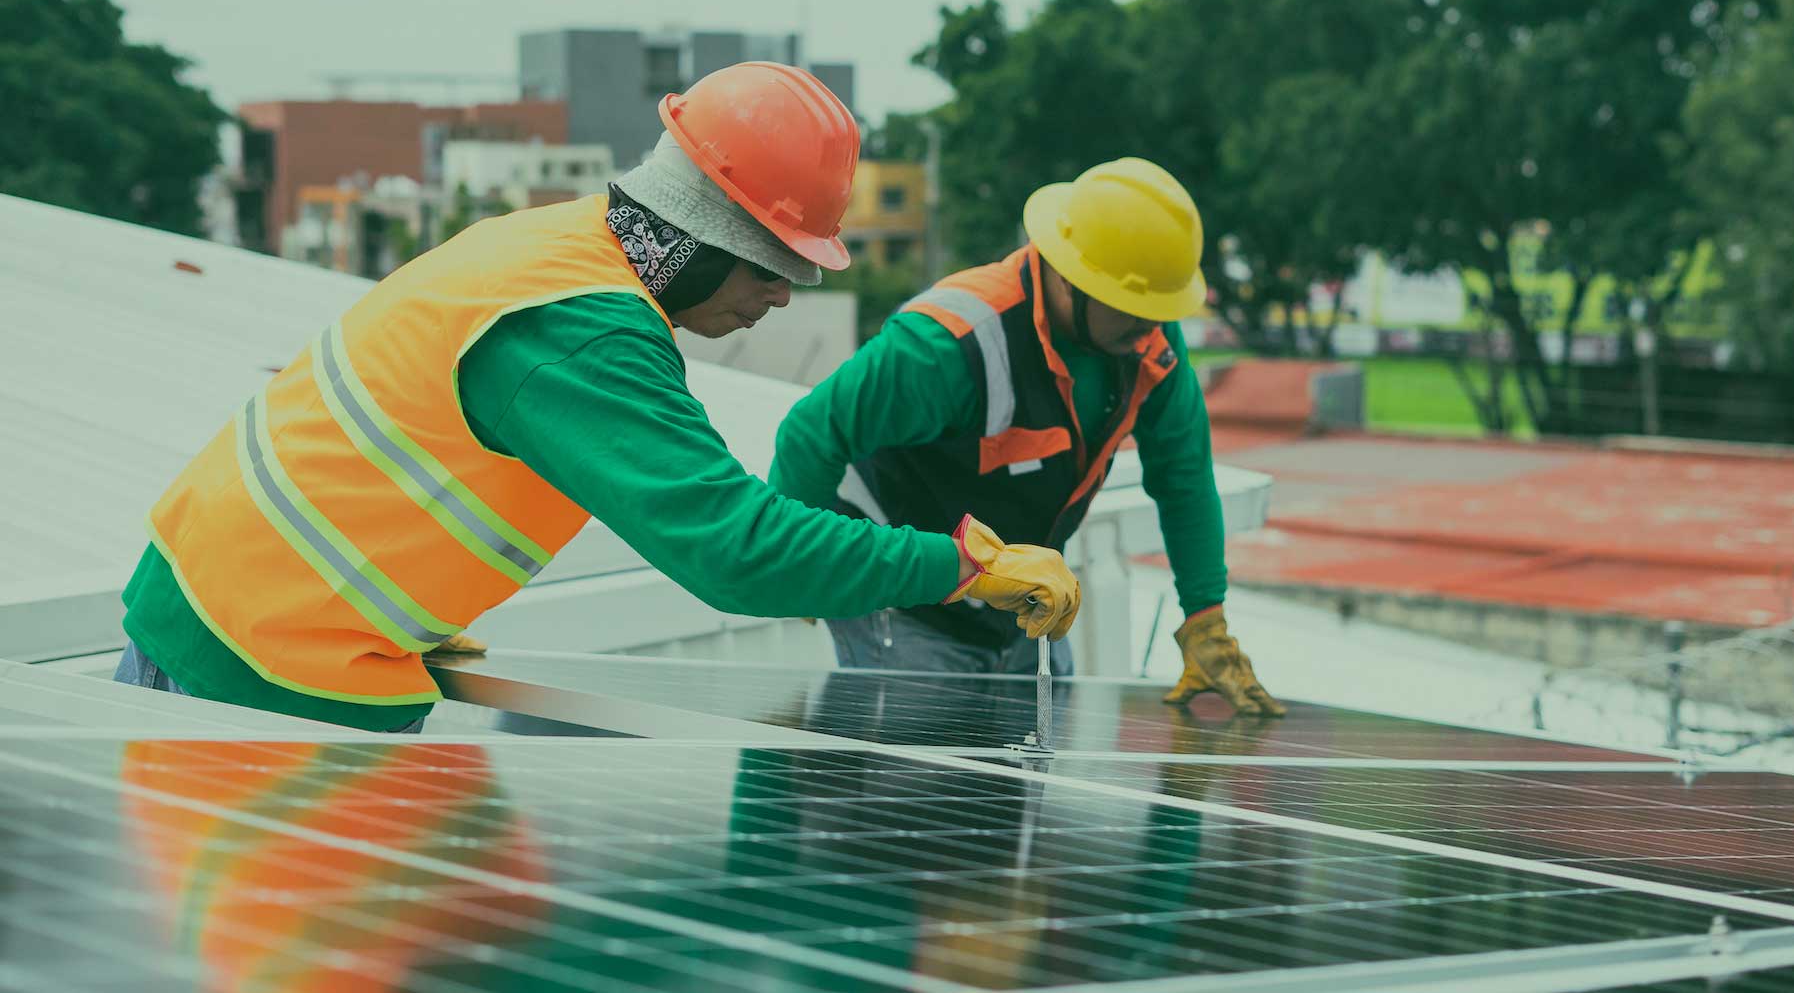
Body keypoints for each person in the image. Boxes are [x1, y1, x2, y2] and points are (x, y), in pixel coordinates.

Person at [111, 62, 1079, 732]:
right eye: (775, 265)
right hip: (261, 661)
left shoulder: (553, 244)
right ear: (703, 231)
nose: (782, 295)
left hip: (235, 610)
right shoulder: (581, 330)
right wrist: (960, 564)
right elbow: (734, 552)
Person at [769, 157, 1284, 716]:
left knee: (1023, 785)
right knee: (922, 783)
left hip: (1024, 607)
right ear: (1070, 277)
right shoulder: (948, 343)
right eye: (1135, 308)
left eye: (1160, 310)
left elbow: (1184, 479)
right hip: (906, 605)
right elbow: (811, 433)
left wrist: (1205, 617)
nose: (1152, 327)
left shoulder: (1148, 347)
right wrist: (805, 569)